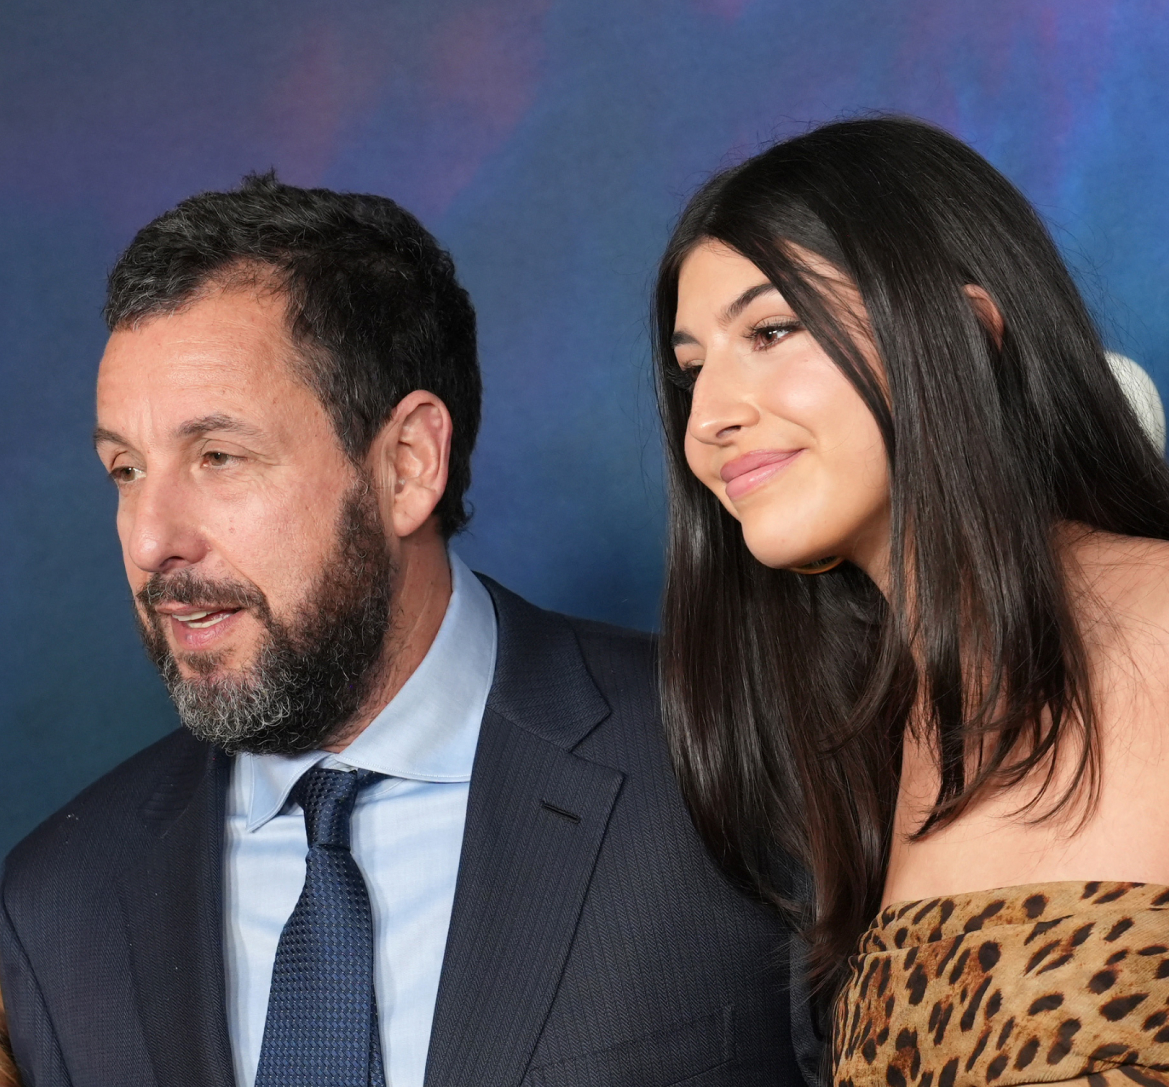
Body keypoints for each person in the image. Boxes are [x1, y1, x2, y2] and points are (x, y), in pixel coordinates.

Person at [0, 174, 803, 1087]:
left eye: (218, 457)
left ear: (409, 464)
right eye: (126, 469)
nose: (150, 541)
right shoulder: (55, 904)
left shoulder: (743, 757)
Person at [653, 117, 1169, 1087]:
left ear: (962, 332)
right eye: (692, 371)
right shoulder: (846, 749)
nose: (709, 421)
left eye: (770, 331)